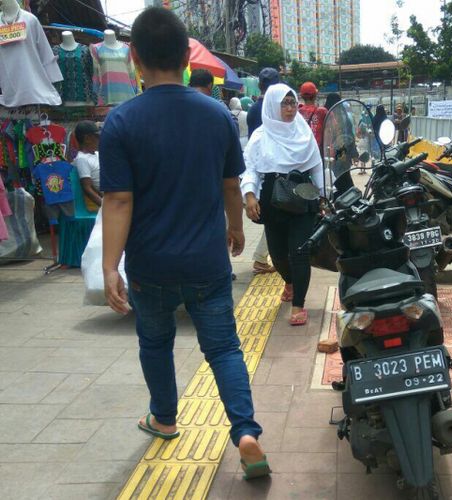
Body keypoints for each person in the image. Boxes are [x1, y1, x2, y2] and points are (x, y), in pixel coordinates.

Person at [99, 7, 269, 480]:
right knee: (225, 350)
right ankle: (245, 432)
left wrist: (111, 266)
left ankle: (164, 417)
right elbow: (231, 185)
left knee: (155, 342)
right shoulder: (217, 116)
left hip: (150, 265)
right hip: (207, 262)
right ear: (186, 57)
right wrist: (235, 228)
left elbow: (117, 201)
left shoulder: (120, 122)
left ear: (134, 58)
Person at [241, 84, 323, 325]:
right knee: (277, 255)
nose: (290, 108)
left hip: (303, 197)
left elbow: (316, 165)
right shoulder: (259, 137)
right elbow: (251, 169)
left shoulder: (303, 131)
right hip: (272, 200)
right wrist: (249, 195)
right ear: (272, 106)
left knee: (300, 252)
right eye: (284, 103)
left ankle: (299, 305)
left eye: (292, 103)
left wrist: (324, 198)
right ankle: (288, 281)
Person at [245, 67, 280, 275]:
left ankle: (263, 256)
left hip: (259, 171)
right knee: (276, 217)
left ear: (259, 85)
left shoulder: (253, 108)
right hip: (270, 172)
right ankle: (261, 258)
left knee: (274, 217)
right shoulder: (271, 108)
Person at [73, 120, 102, 209]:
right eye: (97, 136)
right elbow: (87, 188)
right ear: (87, 139)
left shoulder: (97, 154)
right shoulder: (82, 159)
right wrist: (105, 206)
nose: (99, 139)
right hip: (109, 198)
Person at [297, 81, 327, 152]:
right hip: (317, 151)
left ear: (301, 96)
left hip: (301, 150)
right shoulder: (322, 111)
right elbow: (332, 130)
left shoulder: (297, 112)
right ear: (315, 95)